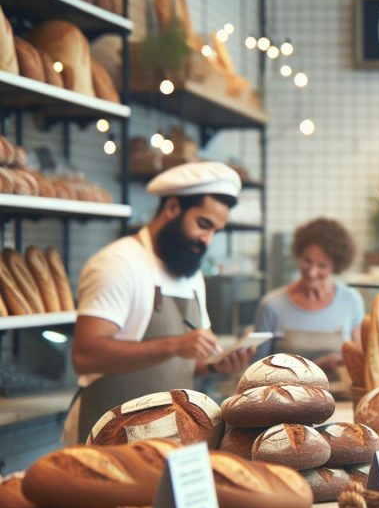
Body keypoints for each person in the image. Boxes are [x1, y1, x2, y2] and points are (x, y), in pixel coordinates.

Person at [66, 162, 255, 444]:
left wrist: (216, 365)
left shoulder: (191, 275)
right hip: (112, 440)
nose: (207, 240)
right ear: (172, 208)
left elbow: (184, 365)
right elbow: (85, 356)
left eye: (216, 231)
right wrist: (174, 345)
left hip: (172, 440)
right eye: (203, 225)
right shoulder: (117, 264)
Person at [254, 217, 364, 375]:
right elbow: (257, 372)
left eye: (322, 266)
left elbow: (360, 362)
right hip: (284, 391)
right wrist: (315, 368)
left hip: (338, 391)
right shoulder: (272, 305)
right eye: (307, 261)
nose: (312, 272)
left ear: (336, 266)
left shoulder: (351, 301)